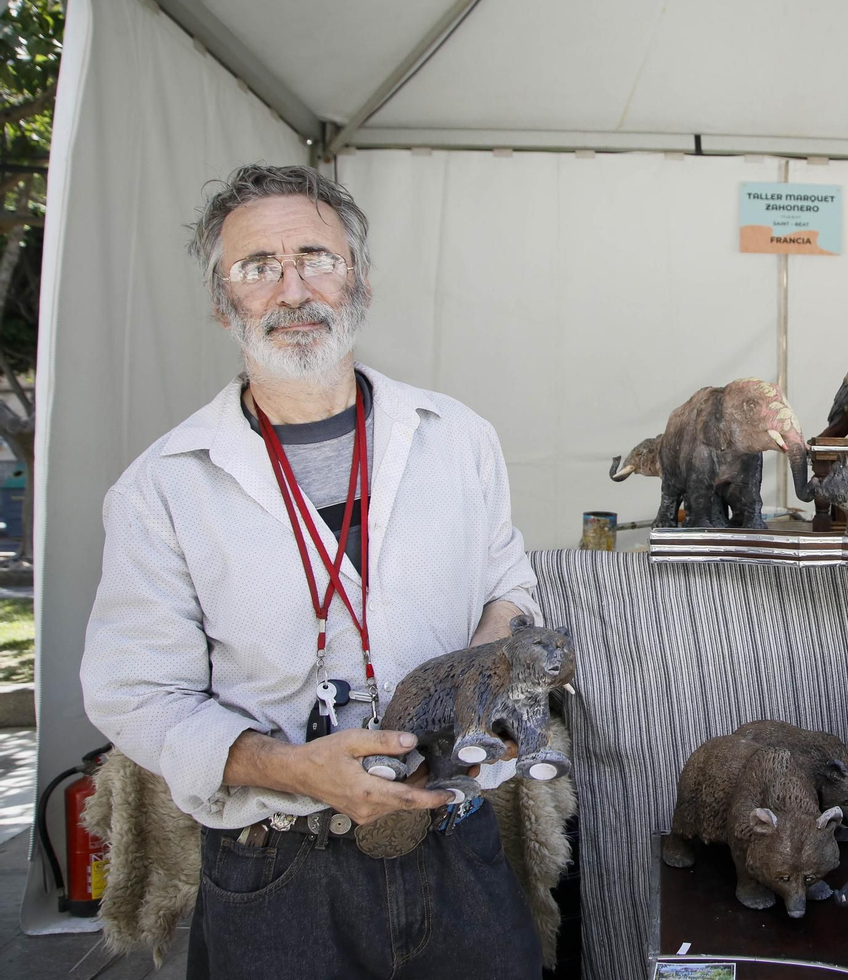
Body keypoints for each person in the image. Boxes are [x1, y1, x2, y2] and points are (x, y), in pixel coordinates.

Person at [79, 164, 544, 979]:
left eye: (315, 257)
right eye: (257, 267)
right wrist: (295, 768)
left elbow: (509, 584)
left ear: (356, 280)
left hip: (456, 838)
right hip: (279, 867)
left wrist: (482, 671)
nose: (292, 289)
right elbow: (137, 693)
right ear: (224, 303)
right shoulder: (165, 485)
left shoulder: (456, 436)